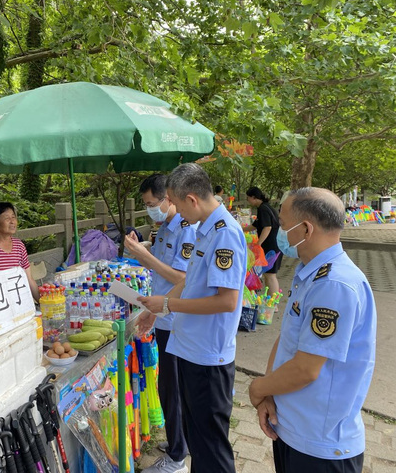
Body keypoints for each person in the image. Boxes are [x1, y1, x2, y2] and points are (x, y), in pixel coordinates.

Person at [248, 188, 376, 473]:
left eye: (283, 224)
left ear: (306, 229)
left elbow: (306, 369)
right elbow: (288, 338)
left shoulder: (334, 285)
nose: (281, 232)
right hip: (293, 428)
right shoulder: (311, 273)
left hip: (320, 446)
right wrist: (269, 392)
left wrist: (257, 388)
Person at [137, 163, 247, 473]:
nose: (175, 211)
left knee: (211, 448)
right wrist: (159, 308)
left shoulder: (224, 234)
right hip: (191, 348)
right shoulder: (206, 228)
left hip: (208, 355)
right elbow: (191, 280)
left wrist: (168, 304)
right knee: (198, 442)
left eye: (174, 202)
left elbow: (227, 301)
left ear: (191, 199)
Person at [123, 174, 197, 473]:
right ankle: (180, 441)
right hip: (164, 316)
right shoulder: (165, 227)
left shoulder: (186, 229)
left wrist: (144, 254)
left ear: (168, 197)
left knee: (173, 390)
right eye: (146, 204)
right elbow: (162, 273)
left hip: (178, 321)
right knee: (169, 386)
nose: (149, 209)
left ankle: (177, 458)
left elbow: (182, 278)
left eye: (152, 203)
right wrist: (141, 252)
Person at [242, 187, 283, 298]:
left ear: (253, 197)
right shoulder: (264, 207)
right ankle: (270, 301)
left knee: (270, 275)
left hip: (272, 245)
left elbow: (267, 227)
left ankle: (273, 303)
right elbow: (255, 225)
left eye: (248, 198)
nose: (248, 200)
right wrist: (241, 229)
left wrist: (258, 243)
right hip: (272, 244)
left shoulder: (263, 209)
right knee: (268, 274)